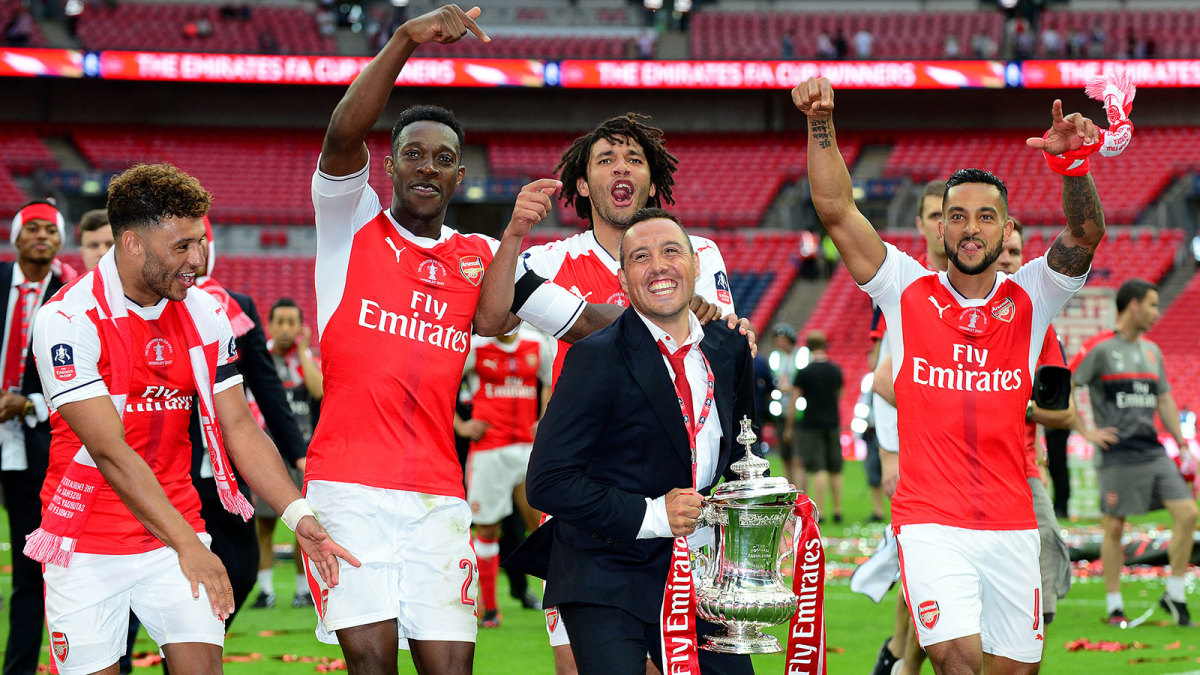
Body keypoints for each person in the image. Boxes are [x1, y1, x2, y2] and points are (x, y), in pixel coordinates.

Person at [307, 6, 645, 673]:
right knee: (371, 666)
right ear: (391, 168)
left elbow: (580, 319)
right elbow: (344, 132)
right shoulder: (349, 228)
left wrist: (679, 318)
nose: (426, 168)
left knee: (451, 668)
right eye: (412, 155)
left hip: (438, 493)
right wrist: (404, 37)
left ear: (460, 177)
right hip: (349, 491)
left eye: (443, 159)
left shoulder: (481, 256)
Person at [797, 76, 1105, 673]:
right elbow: (836, 210)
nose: (969, 228)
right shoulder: (905, 288)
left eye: (986, 217)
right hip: (930, 519)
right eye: (957, 216)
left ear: (1006, 229)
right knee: (957, 663)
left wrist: (1072, 166)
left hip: (1014, 522)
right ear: (939, 228)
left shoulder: (1033, 295)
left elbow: (1084, 234)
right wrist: (820, 121)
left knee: (1015, 670)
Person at [28, 162, 356, 675]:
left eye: (200, 242)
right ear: (133, 243)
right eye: (182, 246)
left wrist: (299, 517)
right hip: (88, 542)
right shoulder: (65, 320)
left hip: (176, 528)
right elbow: (110, 452)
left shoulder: (205, 312)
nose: (198, 260)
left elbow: (240, 427)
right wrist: (189, 546)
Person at [474, 110, 749, 675]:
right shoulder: (551, 260)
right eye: (606, 160)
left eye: (634, 160)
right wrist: (515, 232)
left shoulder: (697, 254)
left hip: (685, 500)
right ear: (582, 184)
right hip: (592, 494)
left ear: (652, 181)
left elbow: (723, 345)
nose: (621, 169)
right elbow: (491, 316)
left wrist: (582, 319)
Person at [521, 208, 755, 675]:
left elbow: (743, 453)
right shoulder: (594, 357)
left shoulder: (729, 349)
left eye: (672, 251)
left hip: (699, 568)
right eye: (641, 258)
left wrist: (761, 511)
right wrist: (654, 515)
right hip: (605, 567)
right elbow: (547, 482)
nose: (659, 266)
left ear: (695, 265)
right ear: (624, 282)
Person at [1071, 278, 1198, 627]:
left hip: (1152, 450)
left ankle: (1173, 594)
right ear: (1133, 305)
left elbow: (1165, 398)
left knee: (1187, 513)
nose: (1157, 313)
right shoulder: (1099, 349)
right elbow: (1067, 385)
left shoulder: (1153, 352)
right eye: (1153, 305)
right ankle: (1114, 605)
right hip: (1116, 454)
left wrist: (1183, 443)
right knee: (1114, 527)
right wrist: (1086, 431)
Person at [864, 180, 947, 675]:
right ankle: (900, 656)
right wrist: (893, 452)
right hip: (920, 453)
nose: (942, 225)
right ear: (919, 224)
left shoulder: (975, 281)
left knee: (925, 567)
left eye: (950, 214)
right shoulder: (907, 287)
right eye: (935, 215)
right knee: (922, 564)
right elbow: (884, 376)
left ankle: (898, 655)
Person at [0, 201, 68, 675]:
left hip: (34, 442)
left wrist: (27, 403)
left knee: (29, 570)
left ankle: (19, 669)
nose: (42, 236)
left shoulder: (70, 296)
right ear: (16, 238)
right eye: (33, 229)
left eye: (50, 230)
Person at [996, 218, 1074, 628]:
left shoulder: (1039, 324)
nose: (1008, 260)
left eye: (1015, 253)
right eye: (1003, 251)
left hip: (1020, 467)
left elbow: (1065, 412)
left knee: (1046, 559)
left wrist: (1020, 408)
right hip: (953, 470)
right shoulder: (949, 310)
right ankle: (899, 661)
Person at [457, 325, 552, 629]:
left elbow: (550, 382)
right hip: (489, 450)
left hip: (528, 449)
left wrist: (545, 418)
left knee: (543, 526)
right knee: (487, 529)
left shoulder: (538, 344)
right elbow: (439, 384)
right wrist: (460, 425)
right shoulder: (475, 346)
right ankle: (490, 610)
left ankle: (557, 604)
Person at [252, 297, 323, 610]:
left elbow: (318, 390)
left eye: (290, 322)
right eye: (278, 321)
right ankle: (265, 591)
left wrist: (304, 350)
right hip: (266, 455)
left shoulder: (306, 360)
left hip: (302, 456)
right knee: (264, 527)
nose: (284, 328)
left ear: (299, 326)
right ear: (268, 325)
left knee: (303, 526)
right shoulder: (258, 358)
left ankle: (302, 591)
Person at [786, 329, 843, 523]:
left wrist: (788, 427)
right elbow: (839, 395)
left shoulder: (804, 372)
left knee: (819, 467)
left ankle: (822, 512)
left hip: (811, 424)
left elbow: (794, 401)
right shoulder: (836, 370)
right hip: (833, 422)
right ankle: (837, 510)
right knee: (835, 467)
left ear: (808, 347)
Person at [767, 322, 803, 486]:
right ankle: (790, 489)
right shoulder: (776, 357)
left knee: (797, 458)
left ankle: (802, 493)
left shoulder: (800, 355)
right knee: (785, 457)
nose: (779, 342)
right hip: (780, 411)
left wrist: (790, 388)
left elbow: (801, 383)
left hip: (798, 413)